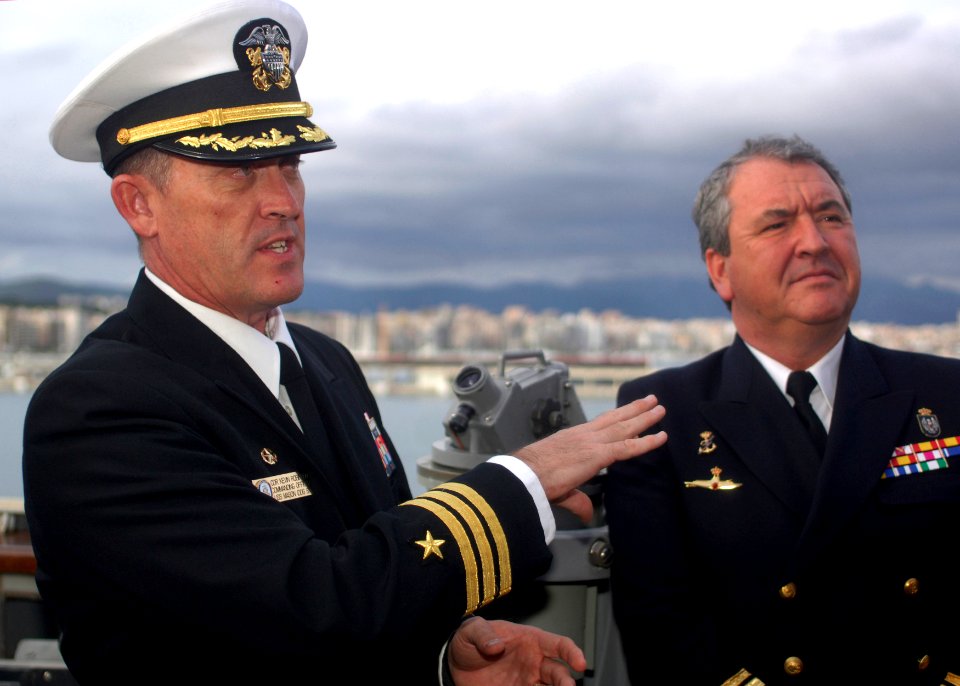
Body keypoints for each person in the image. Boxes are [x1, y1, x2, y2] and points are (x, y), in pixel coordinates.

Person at [21, 2, 668, 684]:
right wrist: (525, 480)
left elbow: (359, 592)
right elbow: (313, 606)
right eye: (240, 172)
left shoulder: (327, 365)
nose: (283, 201)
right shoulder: (97, 412)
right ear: (138, 205)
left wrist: (447, 660)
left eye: (290, 166)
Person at [604, 134, 960, 685]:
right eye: (777, 225)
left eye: (831, 217)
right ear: (720, 270)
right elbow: (663, 633)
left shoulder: (945, 394)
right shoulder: (661, 415)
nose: (814, 242)